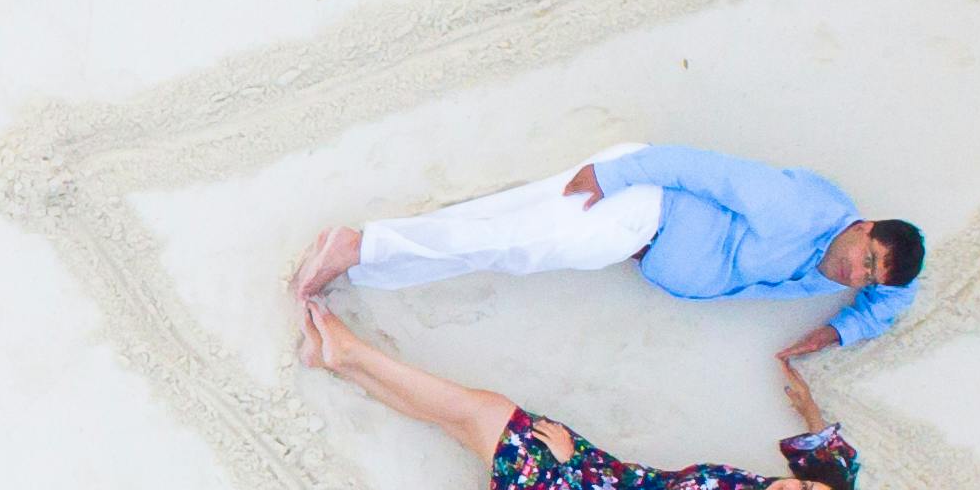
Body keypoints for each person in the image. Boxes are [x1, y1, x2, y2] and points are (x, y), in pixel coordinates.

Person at [297, 303, 865, 490]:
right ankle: (338, 363)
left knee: (484, 412)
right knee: (461, 421)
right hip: (601, 474)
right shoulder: (761, 488)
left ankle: (348, 352)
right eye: (804, 488)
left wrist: (570, 464)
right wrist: (810, 409)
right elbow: (840, 462)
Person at [292, 141, 925, 366]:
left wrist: (841, 331)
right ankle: (357, 247)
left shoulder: (843, 273)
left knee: (499, 227)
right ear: (862, 226)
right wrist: (616, 175)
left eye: (868, 276)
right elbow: (707, 170)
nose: (856, 273)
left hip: (639, 233)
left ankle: (365, 249)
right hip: (643, 206)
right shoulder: (799, 212)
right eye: (865, 257)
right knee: (512, 243)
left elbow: (898, 293)